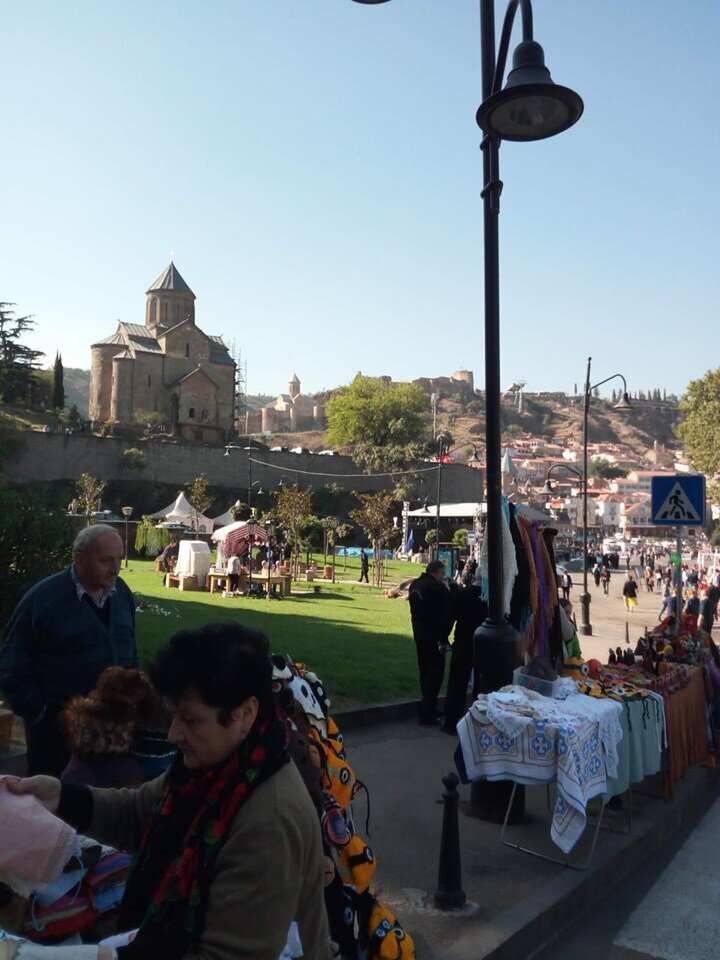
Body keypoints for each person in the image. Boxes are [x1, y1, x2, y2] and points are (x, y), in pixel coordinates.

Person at [7, 623, 330, 960]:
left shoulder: (268, 820)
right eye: (174, 716)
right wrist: (59, 796)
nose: (174, 733)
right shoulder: (217, 769)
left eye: (191, 720)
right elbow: (139, 814)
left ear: (245, 714)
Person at [0, 524, 138, 777]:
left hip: (114, 730)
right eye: (106, 560)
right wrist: (41, 717)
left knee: (103, 806)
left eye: (119, 558)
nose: (116, 568)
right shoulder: (43, 599)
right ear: (80, 559)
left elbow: (131, 650)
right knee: (52, 806)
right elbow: (12, 666)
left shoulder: (122, 594)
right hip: (58, 735)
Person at [441, 577, 488, 734]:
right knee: (482, 685)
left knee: (457, 683)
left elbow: (449, 617)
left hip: (463, 641)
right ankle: (479, 723)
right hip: (484, 645)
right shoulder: (491, 596)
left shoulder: (463, 593)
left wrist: (443, 637)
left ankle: (450, 720)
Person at [408, 560, 452, 725]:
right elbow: (451, 602)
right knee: (435, 673)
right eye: (442, 573)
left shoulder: (416, 584)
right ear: (437, 572)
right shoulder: (436, 588)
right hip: (434, 635)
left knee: (424, 670)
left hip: (419, 632)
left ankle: (428, 706)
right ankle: (428, 713)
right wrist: (453, 587)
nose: (443, 577)